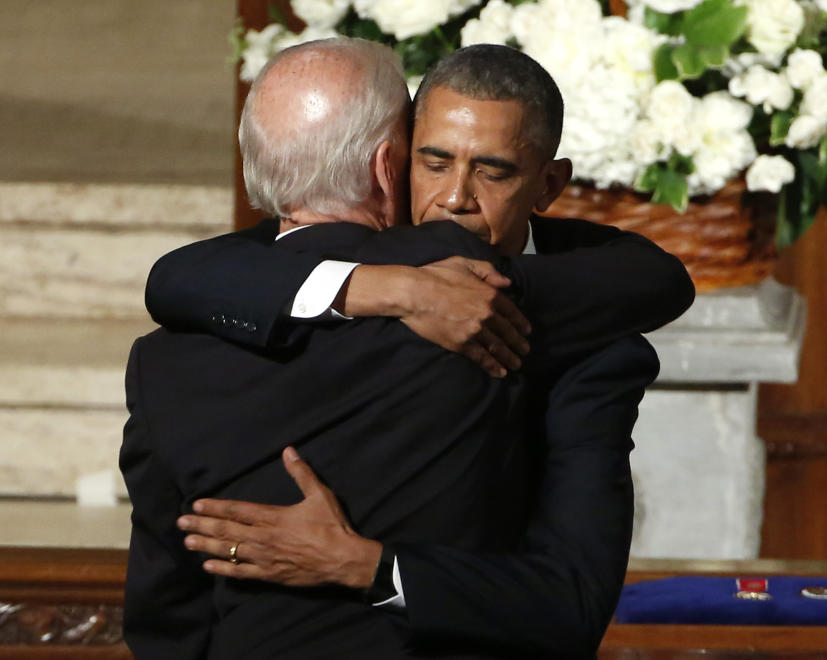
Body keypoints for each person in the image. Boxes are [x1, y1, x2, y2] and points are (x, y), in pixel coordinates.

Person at [122, 40, 693, 659]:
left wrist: (365, 566)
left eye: (493, 170)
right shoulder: (224, 294)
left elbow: (165, 626)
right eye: (434, 161)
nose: (454, 199)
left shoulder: (166, 356)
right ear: (391, 166)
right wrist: (386, 285)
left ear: (549, 183)